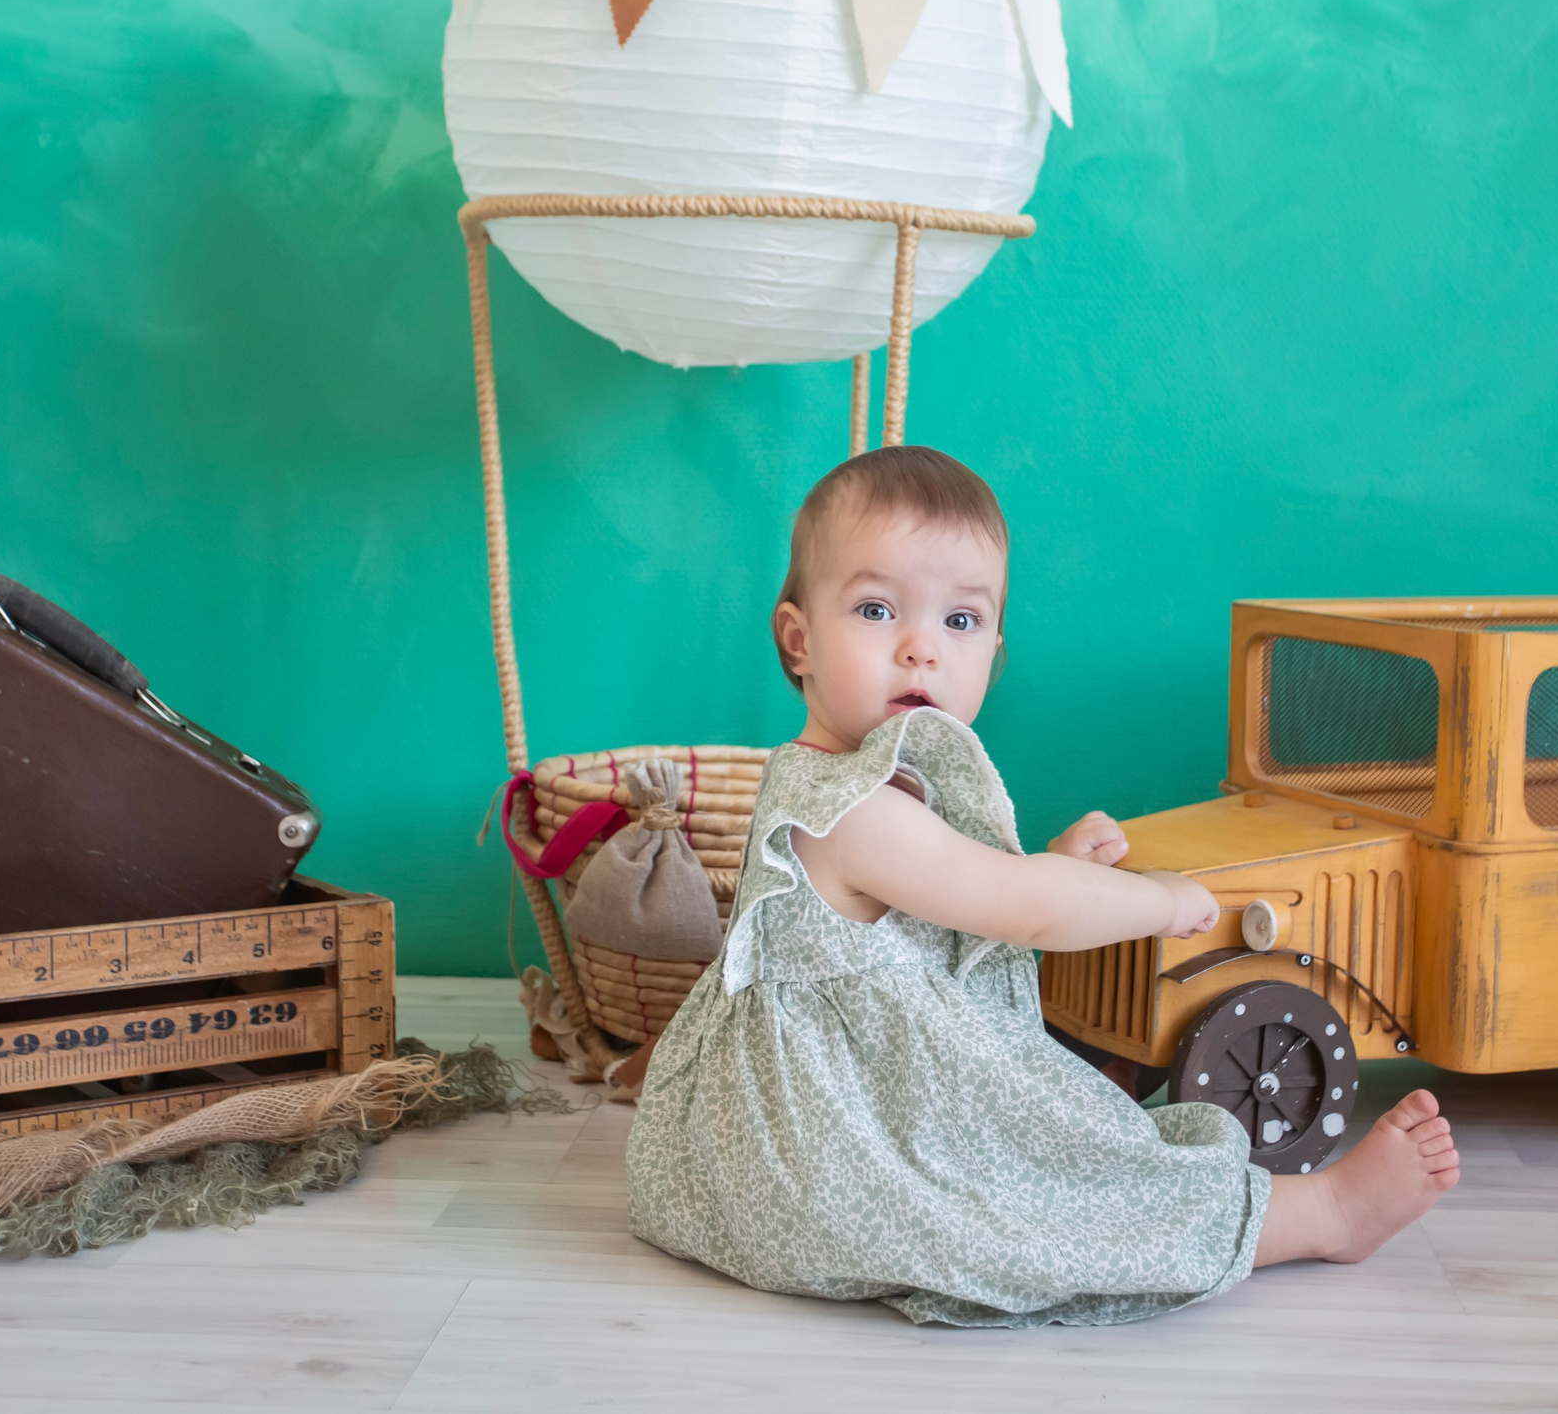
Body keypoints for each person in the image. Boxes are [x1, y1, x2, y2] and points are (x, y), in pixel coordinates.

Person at [625, 446, 1459, 1327]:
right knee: (1035, 1200)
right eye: (877, 610)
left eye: (961, 622)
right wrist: (1160, 900)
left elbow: (954, 901)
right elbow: (1020, 908)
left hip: (841, 1113)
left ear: (994, 648)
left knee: (1064, 1147)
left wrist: (1050, 862)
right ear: (799, 641)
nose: (921, 648)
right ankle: (1317, 1218)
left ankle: (1268, 1210)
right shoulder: (849, 809)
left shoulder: (866, 781)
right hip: (830, 1157)